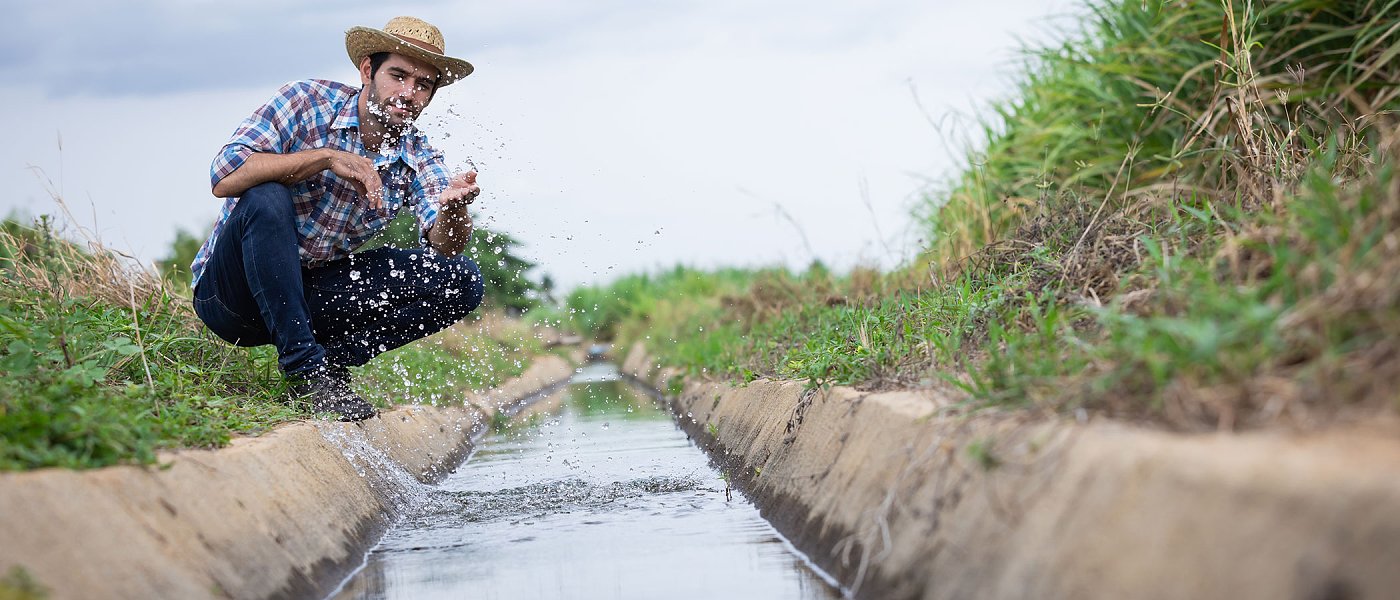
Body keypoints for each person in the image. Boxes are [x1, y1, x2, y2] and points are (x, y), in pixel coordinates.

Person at [190, 16, 485, 421]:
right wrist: (324, 159)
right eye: (398, 75)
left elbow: (445, 244)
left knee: (461, 279)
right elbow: (224, 176)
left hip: (308, 297)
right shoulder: (307, 101)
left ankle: (329, 362)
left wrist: (454, 209)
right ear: (368, 70)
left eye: (423, 85)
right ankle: (307, 373)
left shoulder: (420, 158)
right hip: (230, 297)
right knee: (266, 196)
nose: (408, 93)